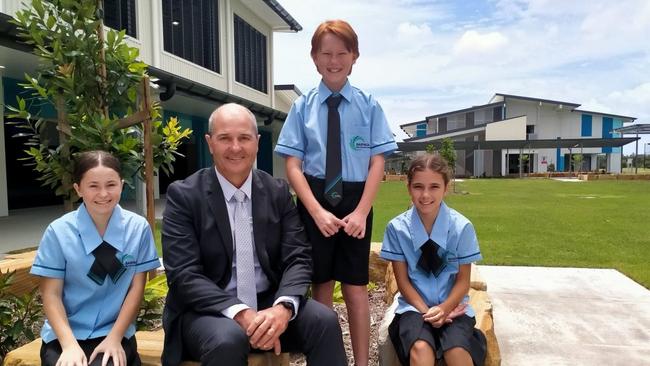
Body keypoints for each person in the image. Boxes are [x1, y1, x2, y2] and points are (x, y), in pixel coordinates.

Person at [161, 103, 346, 366]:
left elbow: (298, 257)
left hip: (269, 304)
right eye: (225, 138)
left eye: (244, 138)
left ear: (257, 143)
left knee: (324, 321)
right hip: (208, 312)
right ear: (210, 142)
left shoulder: (277, 192)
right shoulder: (184, 196)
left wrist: (282, 309)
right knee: (228, 339)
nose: (235, 147)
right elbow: (183, 274)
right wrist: (242, 314)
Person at [274, 19, 397, 366]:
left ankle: (360, 362)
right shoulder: (302, 107)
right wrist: (315, 211)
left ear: (354, 56)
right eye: (325, 53)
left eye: (341, 53)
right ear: (314, 58)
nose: (333, 60)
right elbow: (293, 166)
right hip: (315, 204)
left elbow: (377, 161)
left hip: (357, 202)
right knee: (321, 287)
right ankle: (326, 361)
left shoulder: (368, 105)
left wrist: (361, 211)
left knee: (356, 288)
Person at [30, 150, 160, 366]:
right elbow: (51, 294)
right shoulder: (58, 231)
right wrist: (70, 345)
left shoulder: (138, 229)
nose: (103, 194)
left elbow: (136, 289)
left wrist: (115, 338)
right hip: (65, 334)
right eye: (93, 186)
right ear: (78, 189)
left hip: (114, 331)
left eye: (111, 184)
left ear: (122, 184)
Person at [380, 154, 487, 366]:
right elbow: (403, 283)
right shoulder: (397, 229)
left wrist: (445, 308)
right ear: (408, 187)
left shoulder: (461, 228)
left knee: (457, 351)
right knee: (420, 348)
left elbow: (463, 281)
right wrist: (427, 312)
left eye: (434, 187)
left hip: (453, 308)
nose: (425, 194)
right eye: (418, 186)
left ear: (446, 188)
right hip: (413, 308)